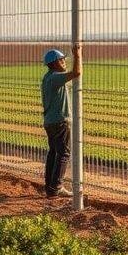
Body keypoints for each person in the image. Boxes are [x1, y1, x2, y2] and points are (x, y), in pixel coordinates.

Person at [41, 45, 81, 198]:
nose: (64, 61)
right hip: (60, 121)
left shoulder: (48, 77)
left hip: (50, 121)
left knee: (53, 153)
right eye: (61, 59)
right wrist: (77, 55)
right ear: (54, 63)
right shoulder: (55, 78)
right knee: (64, 153)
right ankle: (56, 187)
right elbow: (77, 72)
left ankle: (49, 188)